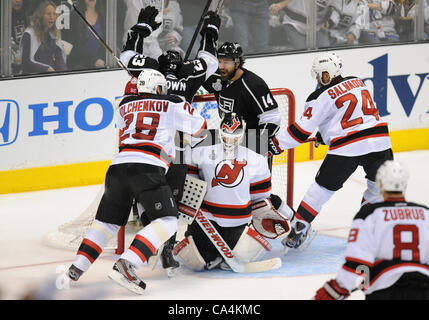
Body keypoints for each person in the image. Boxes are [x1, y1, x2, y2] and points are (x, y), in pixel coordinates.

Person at [66, 68, 207, 294]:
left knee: (107, 222)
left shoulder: (123, 104)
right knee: (167, 221)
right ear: (158, 88)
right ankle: (128, 263)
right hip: (147, 167)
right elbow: (200, 130)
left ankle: (77, 266)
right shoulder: (173, 102)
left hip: (117, 167)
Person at [119, 6, 221, 276]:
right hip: (178, 146)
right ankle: (167, 246)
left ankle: (147, 226)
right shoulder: (189, 73)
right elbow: (209, 60)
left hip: (148, 146)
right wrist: (210, 32)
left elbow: (128, 56)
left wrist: (142, 26)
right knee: (171, 197)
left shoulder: (151, 69)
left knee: (146, 192)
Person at [268, 52, 393, 250]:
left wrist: (275, 145)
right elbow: (355, 114)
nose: (318, 79)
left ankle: (300, 229)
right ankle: (366, 229)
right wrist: (325, 135)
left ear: (326, 74)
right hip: (380, 142)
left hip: (347, 148)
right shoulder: (358, 82)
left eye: (320, 75)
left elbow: (299, 132)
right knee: (377, 189)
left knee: (319, 191)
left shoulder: (319, 96)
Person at [174, 113, 293, 271]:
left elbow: (260, 196)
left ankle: (223, 250)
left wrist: (261, 212)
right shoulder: (202, 151)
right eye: (226, 136)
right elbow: (189, 180)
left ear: (242, 134)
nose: (230, 141)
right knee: (194, 262)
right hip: (206, 221)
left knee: (249, 252)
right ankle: (214, 252)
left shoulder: (256, 158)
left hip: (237, 222)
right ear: (220, 132)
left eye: (234, 137)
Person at [314, 160, 429, 300]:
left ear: (380, 183)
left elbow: (358, 265)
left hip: (384, 291)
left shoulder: (368, 215)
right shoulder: (425, 213)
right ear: (405, 184)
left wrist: (334, 291)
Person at [20, 0, 67, 74]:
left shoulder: (54, 33)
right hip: (34, 76)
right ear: (41, 15)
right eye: (48, 14)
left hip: (51, 76)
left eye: (54, 14)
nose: (52, 17)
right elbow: (26, 62)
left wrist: (64, 73)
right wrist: (46, 69)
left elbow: (59, 58)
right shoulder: (29, 34)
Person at [65, 0, 107, 70]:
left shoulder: (104, 14)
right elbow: (75, 44)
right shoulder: (75, 16)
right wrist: (94, 60)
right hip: (80, 65)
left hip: (102, 64)